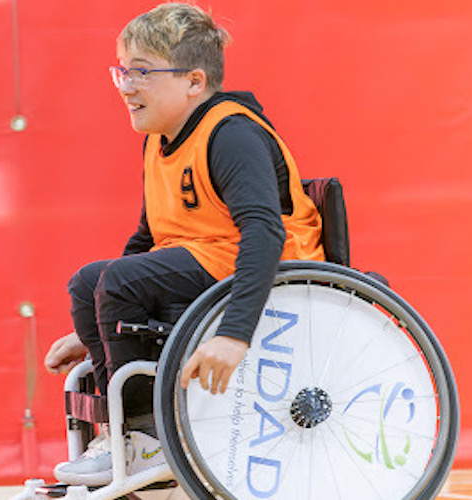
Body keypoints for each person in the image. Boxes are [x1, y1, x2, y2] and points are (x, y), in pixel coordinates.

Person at [43, 2, 325, 487]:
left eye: (142, 73)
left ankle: (148, 438)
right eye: (122, 73)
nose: (127, 87)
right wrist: (91, 314)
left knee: (116, 282)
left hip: (264, 265)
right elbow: (146, 239)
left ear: (194, 81)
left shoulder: (231, 133)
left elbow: (264, 232)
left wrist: (235, 333)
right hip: (205, 261)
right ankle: (125, 439)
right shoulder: (160, 139)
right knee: (88, 280)